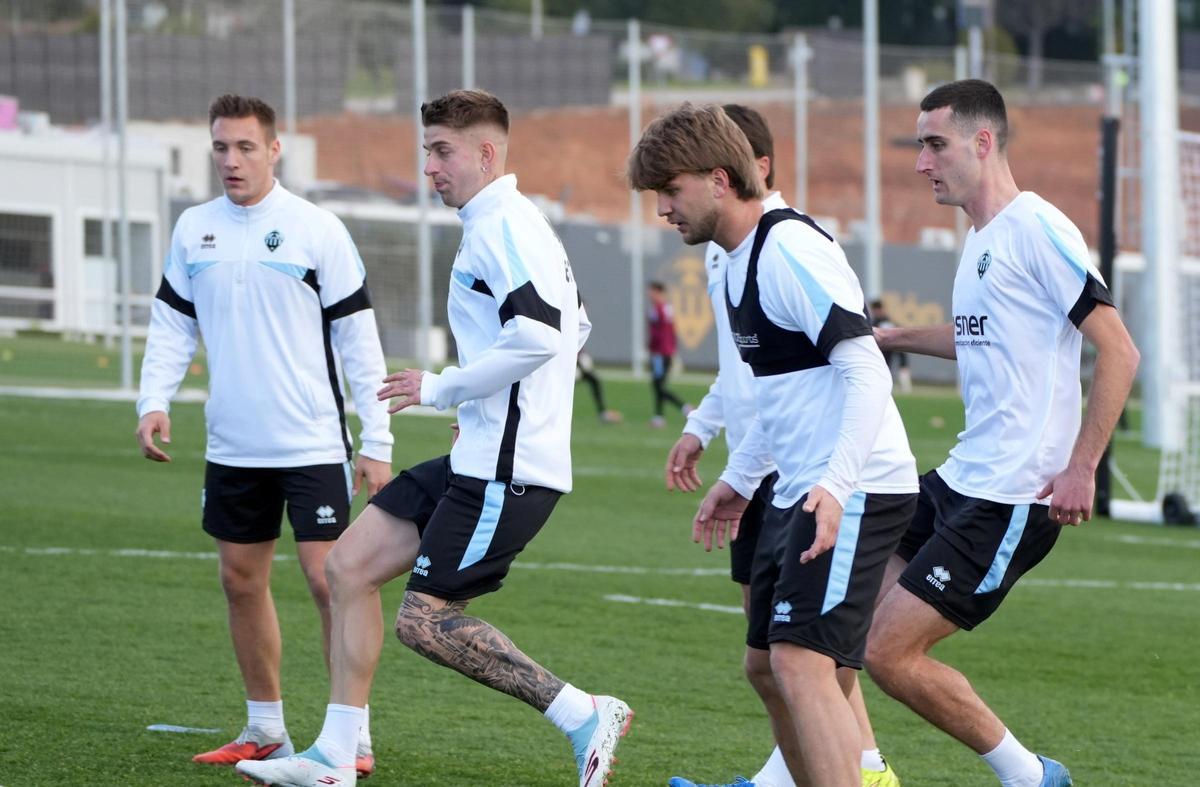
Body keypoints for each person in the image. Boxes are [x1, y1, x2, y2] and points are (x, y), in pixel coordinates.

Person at [236, 89, 632, 787]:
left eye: (442, 151)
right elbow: (576, 327)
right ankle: (336, 755)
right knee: (348, 565)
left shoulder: (502, 227)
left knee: (424, 621)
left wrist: (447, 385)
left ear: (485, 153)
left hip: (510, 467)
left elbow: (542, 335)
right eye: (426, 151)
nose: (429, 167)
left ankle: (583, 711)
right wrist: (485, 397)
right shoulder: (512, 222)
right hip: (479, 451)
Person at [629, 102, 918, 787]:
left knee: (802, 662)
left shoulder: (789, 249)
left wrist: (838, 485)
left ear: (720, 179)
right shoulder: (736, 256)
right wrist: (741, 472)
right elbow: (776, 392)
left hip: (857, 485)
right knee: (766, 664)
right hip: (799, 486)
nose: (664, 209)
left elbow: (865, 368)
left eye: (671, 190)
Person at [866, 80, 1139, 787]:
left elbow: (1119, 349)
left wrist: (1082, 469)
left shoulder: (1036, 228)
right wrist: (890, 335)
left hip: (1013, 495)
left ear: (982, 143)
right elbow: (976, 337)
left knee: (889, 654)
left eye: (935, 144)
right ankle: (808, 769)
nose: (922, 162)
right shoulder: (983, 239)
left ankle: (1030, 775)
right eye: (921, 145)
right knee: (836, 607)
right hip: (959, 478)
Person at [135, 94, 391, 777]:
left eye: (245, 147)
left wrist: (378, 438)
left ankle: (351, 734)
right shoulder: (193, 229)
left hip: (311, 444)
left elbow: (359, 342)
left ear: (274, 149)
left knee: (330, 579)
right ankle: (266, 727)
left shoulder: (317, 230)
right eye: (221, 147)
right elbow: (171, 326)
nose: (231, 160)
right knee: (240, 579)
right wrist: (153, 399)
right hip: (233, 446)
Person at [647, 280, 690, 427]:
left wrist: (652, 347)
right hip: (666, 351)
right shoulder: (667, 308)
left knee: (659, 386)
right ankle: (658, 417)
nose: (649, 295)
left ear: (658, 292)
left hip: (660, 353)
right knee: (658, 385)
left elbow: (657, 334)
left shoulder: (658, 309)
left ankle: (685, 408)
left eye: (651, 291)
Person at [868, 300, 912, 394]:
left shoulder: (881, 321)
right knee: (887, 366)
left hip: (890, 345)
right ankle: (899, 386)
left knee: (899, 363)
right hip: (890, 346)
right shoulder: (883, 320)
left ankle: (905, 386)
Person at [577, 349, 623, 423]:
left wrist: (582, 355)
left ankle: (603, 413)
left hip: (576, 364)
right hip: (564, 366)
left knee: (594, 380)